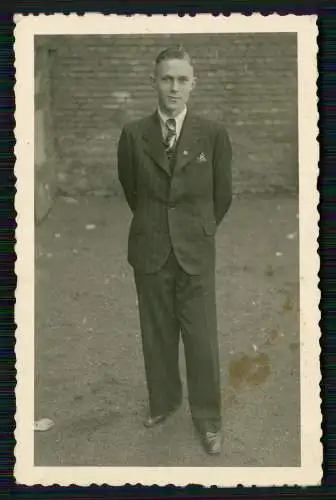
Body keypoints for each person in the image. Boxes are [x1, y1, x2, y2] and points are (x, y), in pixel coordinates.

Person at [117, 45, 232, 455]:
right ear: (154, 82)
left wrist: (195, 230)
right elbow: (132, 190)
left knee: (201, 338)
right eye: (167, 78)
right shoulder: (133, 135)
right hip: (150, 249)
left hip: (195, 250)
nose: (174, 88)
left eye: (183, 79)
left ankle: (208, 419)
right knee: (157, 333)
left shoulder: (213, 134)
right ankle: (164, 402)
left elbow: (223, 196)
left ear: (194, 84)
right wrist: (158, 226)